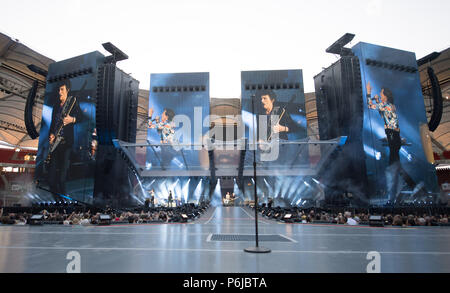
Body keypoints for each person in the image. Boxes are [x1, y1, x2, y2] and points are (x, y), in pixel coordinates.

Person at [47, 79, 81, 195]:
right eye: (58, 89)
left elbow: (82, 117)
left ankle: (64, 198)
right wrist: (51, 135)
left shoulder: (72, 102)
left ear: (68, 90)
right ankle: (56, 197)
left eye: (62, 89)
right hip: (55, 143)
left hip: (66, 143)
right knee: (51, 176)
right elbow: (52, 123)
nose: (59, 92)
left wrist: (72, 119)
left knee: (62, 175)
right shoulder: (56, 105)